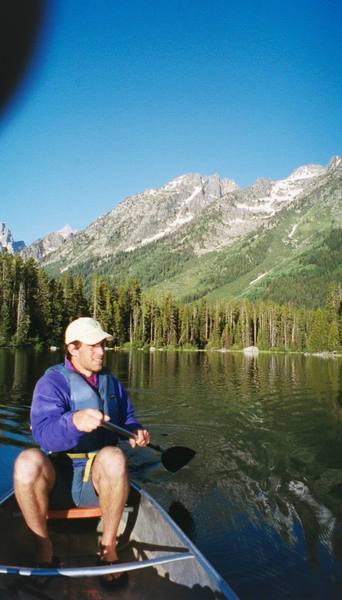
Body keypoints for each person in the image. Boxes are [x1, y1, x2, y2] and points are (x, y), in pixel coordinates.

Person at [13, 317, 150, 586]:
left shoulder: (113, 384)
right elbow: (44, 434)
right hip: (58, 482)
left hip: (97, 484)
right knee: (26, 462)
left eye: (103, 345)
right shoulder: (51, 383)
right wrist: (73, 421)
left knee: (114, 457)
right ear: (73, 349)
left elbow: (128, 419)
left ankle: (108, 548)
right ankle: (44, 548)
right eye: (93, 346)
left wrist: (137, 432)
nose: (101, 351)